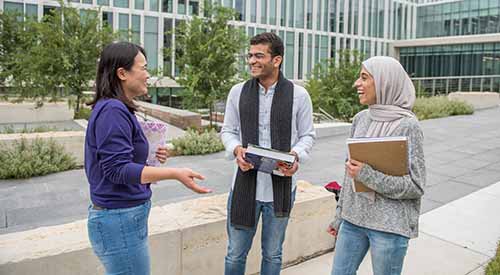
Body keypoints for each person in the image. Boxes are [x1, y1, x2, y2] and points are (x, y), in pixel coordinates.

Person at [85, 42, 211, 275]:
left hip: (123, 217)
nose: (148, 75)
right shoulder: (113, 110)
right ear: (122, 73)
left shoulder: (117, 108)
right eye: (143, 68)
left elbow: (120, 160)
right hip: (119, 219)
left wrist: (149, 154)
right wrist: (175, 173)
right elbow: (117, 170)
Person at [221, 32, 316, 275]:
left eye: (259, 56)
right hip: (243, 186)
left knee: (273, 255)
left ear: (277, 60)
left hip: (281, 188)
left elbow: (307, 135)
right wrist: (236, 149)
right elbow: (228, 131)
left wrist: (295, 156)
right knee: (234, 255)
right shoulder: (237, 92)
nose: (252, 61)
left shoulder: (299, 95)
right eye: (250, 55)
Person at [327, 56, 426, 275]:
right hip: (353, 219)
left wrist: (367, 174)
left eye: (364, 77)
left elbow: (415, 186)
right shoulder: (361, 119)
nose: (357, 84)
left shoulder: (408, 126)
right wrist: (339, 215)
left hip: (388, 227)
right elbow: (348, 174)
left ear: (384, 82)